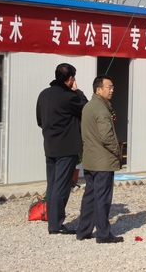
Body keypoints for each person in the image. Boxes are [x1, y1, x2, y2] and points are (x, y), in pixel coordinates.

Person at [36, 63, 88, 235]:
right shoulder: (69, 96)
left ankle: (53, 222)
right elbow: (86, 108)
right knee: (62, 186)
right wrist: (78, 91)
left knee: (52, 184)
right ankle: (56, 224)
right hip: (67, 147)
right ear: (71, 78)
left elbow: (40, 121)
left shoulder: (43, 94)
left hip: (50, 146)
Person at [76, 75, 123, 243]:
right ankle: (103, 234)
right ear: (98, 89)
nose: (112, 90)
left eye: (112, 87)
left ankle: (83, 230)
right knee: (102, 199)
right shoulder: (102, 109)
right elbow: (106, 137)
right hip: (103, 161)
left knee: (90, 196)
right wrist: (117, 152)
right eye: (109, 87)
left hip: (90, 160)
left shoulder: (88, 106)